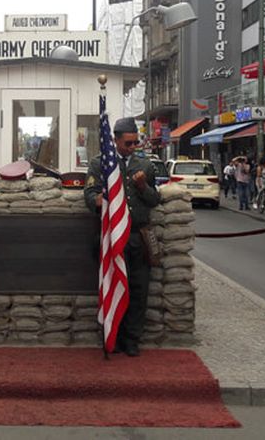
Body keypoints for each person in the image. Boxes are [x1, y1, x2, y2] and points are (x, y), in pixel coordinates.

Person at [84, 117, 160, 357]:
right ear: (115, 140)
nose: (132, 147)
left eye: (135, 142)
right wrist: (105, 199)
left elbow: (154, 200)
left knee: (139, 289)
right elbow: (89, 195)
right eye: (128, 143)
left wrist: (142, 187)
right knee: (113, 285)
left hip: (137, 236)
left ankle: (132, 339)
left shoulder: (145, 166)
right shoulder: (100, 164)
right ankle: (112, 336)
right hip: (111, 236)